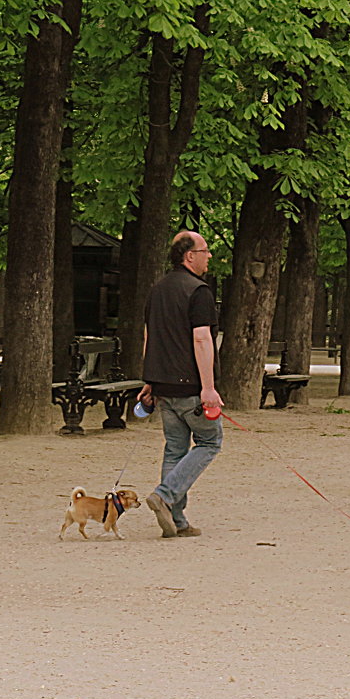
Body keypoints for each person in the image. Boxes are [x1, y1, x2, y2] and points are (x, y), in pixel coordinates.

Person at [136, 231, 223, 539]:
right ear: (189, 256)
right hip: (191, 387)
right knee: (210, 442)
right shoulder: (198, 291)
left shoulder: (156, 289)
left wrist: (151, 380)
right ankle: (165, 494)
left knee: (175, 448)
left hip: (163, 386)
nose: (209, 256)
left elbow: (150, 336)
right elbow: (202, 339)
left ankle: (177, 521)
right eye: (205, 250)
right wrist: (209, 387)